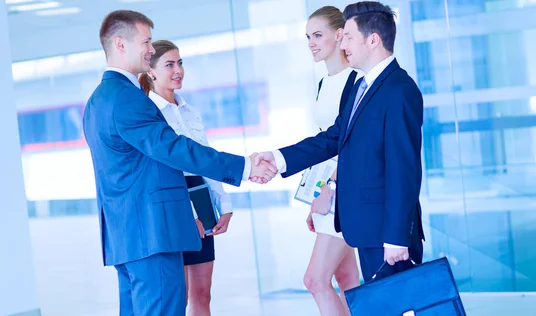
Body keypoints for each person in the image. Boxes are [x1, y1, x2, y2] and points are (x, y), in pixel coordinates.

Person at [82, 10, 275, 316]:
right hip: (151, 235)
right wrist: (245, 167)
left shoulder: (97, 100)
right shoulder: (127, 98)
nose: (150, 48)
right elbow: (173, 148)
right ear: (120, 44)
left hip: (127, 236)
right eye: (145, 41)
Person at [253, 1, 425, 283]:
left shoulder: (399, 90)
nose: (343, 43)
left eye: (348, 37)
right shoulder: (363, 86)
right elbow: (333, 138)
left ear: (373, 40)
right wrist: (279, 157)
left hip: (386, 234)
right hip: (367, 226)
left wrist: (396, 236)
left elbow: (404, 170)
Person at [138, 39, 232, 316]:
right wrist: (187, 214)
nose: (178, 70)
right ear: (151, 71)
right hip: (172, 201)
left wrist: (223, 205)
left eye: (180, 63)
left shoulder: (190, 112)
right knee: (178, 294)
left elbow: (205, 160)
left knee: (203, 292)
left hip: (199, 194)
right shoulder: (148, 113)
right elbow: (165, 168)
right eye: (169, 64)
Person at [301, 6, 360, 316]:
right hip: (327, 190)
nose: (311, 42)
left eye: (318, 35)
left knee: (315, 279)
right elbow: (322, 144)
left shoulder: (356, 81)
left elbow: (353, 146)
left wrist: (330, 188)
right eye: (308, 37)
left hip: (343, 190)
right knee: (346, 279)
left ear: (339, 35)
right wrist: (316, 194)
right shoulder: (325, 82)